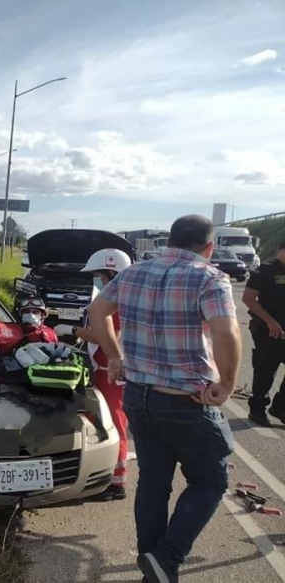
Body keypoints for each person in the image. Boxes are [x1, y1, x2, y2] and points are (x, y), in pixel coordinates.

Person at [88, 215, 241, 583]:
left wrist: (113, 356)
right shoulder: (209, 278)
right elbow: (227, 335)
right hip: (184, 401)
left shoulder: (134, 273)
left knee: (153, 483)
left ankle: (152, 562)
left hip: (138, 397)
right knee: (210, 481)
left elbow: (97, 312)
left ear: (170, 240)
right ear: (208, 247)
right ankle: (167, 557)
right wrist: (227, 384)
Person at [56, 248, 133, 501]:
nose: (99, 281)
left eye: (101, 276)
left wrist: (72, 330)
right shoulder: (121, 297)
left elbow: (106, 336)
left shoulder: (120, 301)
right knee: (108, 420)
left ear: (113, 273)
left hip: (114, 372)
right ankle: (109, 474)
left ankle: (117, 482)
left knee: (115, 423)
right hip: (107, 369)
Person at [243, 239, 285, 426]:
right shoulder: (265, 271)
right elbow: (248, 298)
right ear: (280, 250)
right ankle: (257, 410)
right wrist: (270, 321)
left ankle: (280, 407)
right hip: (268, 329)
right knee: (265, 371)